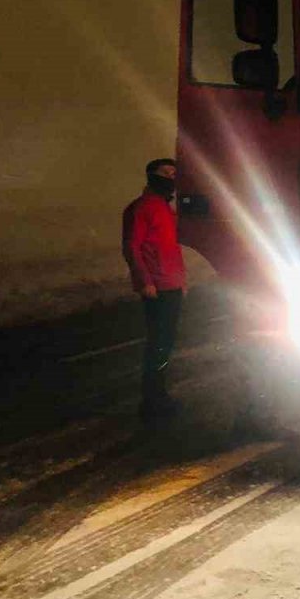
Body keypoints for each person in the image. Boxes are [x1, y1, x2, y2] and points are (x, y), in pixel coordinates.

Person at [122, 157, 187, 420]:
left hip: (171, 284)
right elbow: (132, 246)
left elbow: (172, 249)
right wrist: (144, 281)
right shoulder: (141, 208)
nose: (171, 177)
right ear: (151, 175)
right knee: (158, 344)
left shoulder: (166, 209)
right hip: (157, 287)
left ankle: (158, 396)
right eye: (165, 173)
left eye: (174, 173)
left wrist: (181, 281)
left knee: (165, 342)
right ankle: (152, 402)